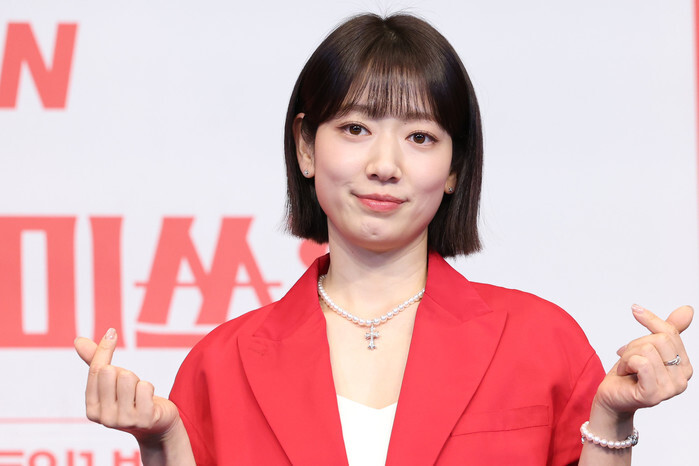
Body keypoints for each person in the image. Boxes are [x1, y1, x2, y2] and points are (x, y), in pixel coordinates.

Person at [74, 13, 693, 465]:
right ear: (305, 147)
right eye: (355, 128)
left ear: (454, 168)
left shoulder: (541, 342)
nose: (384, 165)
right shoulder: (221, 365)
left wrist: (613, 417)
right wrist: (161, 443)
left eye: (420, 137)